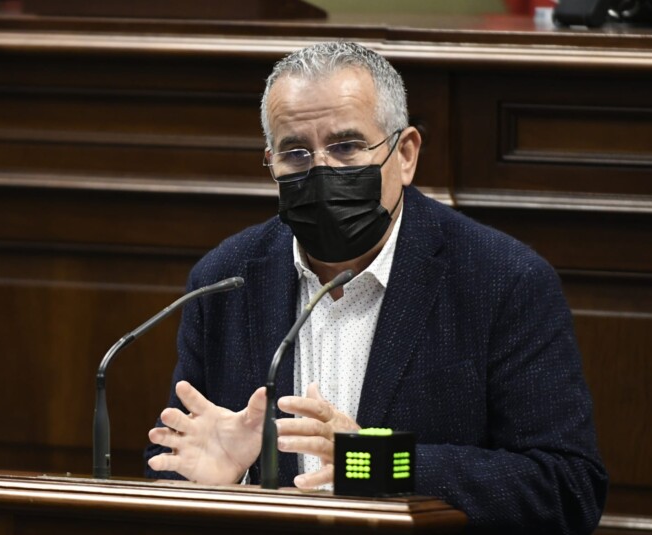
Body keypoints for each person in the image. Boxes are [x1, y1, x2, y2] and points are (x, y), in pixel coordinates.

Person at [144, 41, 607, 534]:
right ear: (271, 163)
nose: (321, 171)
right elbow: (175, 460)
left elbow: (566, 487)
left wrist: (380, 462)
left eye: (345, 147)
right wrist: (213, 484)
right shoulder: (224, 281)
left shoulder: (502, 280)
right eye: (296, 154)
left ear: (405, 154)